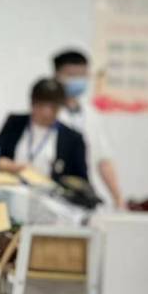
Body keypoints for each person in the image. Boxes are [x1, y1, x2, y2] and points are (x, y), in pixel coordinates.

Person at [52, 50, 125, 208]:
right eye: (71, 75)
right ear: (57, 75)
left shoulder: (92, 115)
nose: (77, 80)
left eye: (82, 75)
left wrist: (118, 198)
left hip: (85, 195)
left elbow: (103, 159)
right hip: (54, 194)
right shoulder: (48, 115)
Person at [0, 78, 89, 183]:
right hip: (11, 186)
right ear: (32, 103)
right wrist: (5, 165)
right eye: (41, 105)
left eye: (53, 107)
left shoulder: (73, 138)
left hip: (49, 191)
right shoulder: (15, 123)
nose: (46, 113)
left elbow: (81, 181)